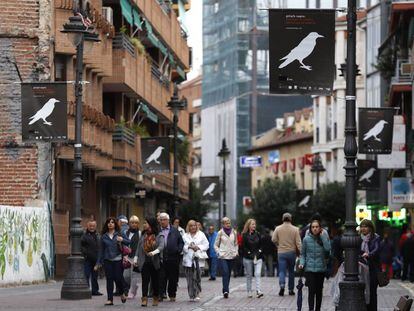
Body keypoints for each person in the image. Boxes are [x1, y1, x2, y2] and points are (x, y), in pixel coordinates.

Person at [96, 217, 130, 306]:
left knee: (118, 278)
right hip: (107, 260)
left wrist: (122, 239)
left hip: (118, 259)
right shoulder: (104, 236)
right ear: (106, 224)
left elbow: (128, 241)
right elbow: (101, 251)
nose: (110, 224)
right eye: (108, 222)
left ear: (115, 224)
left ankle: (122, 292)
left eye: (112, 222)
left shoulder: (120, 233)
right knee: (109, 279)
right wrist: (98, 263)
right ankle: (110, 299)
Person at [299, 219, 331, 311]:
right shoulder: (306, 239)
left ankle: (318, 309)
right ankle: (311, 309)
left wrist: (323, 237)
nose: (315, 229)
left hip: (321, 269)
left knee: (319, 292)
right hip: (309, 269)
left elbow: (328, 249)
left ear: (320, 228)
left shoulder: (323, 237)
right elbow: (303, 254)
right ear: (310, 228)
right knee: (311, 291)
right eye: (313, 227)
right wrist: (301, 263)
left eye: (317, 227)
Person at [133, 217, 164, 307]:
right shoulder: (143, 235)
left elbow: (162, 246)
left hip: (155, 262)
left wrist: (153, 252)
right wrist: (135, 259)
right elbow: (139, 248)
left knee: (155, 281)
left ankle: (155, 298)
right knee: (145, 281)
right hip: (144, 262)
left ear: (151, 224)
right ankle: (144, 299)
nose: (144, 225)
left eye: (145, 223)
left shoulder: (159, 235)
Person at [272, 212, 301, 296]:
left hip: (281, 252)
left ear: (282, 219)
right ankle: (291, 290)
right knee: (291, 271)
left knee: (282, 271)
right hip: (292, 252)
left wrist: (278, 244)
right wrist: (301, 252)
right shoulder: (295, 229)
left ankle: (282, 286)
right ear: (291, 219)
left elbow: (273, 239)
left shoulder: (278, 228)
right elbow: (298, 242)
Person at [159, 212, 184, 302]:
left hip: (173, 258)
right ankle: (161, 294)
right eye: (161, 220)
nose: (162, 221)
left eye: (164, 220)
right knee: (161, 277)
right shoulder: (158, 230)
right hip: (161, 257)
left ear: (168, 220)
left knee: (173, 278)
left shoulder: (174, 230)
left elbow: (181, 242)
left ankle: (172, 294)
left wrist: (178, 250)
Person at [182, 219, 209, 301]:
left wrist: (198, 247)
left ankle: (196, 293)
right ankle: (191, 295)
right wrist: (188, 247)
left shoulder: (201, 234)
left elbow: (206, 245)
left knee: (197, 277)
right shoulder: (185, 235)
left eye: (194, 225)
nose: (193, 227)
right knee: (189, 278)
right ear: (188, 227)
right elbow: (182, 246)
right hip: (188, 259)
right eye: (191, 226)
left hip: (198, 259)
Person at [214, 217, 239, 298]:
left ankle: (225, 288)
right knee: (225, 272)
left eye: (229, 223)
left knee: (228, 274)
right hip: (223, 256)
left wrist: (236, 252)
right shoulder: (220, 233)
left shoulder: (234, 232)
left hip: (231, 256)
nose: (228, 224)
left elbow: (236, 244)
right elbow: (215, 245)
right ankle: (225, 290)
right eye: (226, 223)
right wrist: (219, 252)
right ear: (223, 224)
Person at [360, 219, 381, 311]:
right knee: (363, 292)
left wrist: (368, 254)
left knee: (372, 293)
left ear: (370, 228)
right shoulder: (358, 238)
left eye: (365, 226)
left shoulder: (375, 238)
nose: (363, 228)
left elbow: (376, 250)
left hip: (372, 269)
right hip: (361, 269)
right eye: (361, 226)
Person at [241, 219, 264, 298]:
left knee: (257, 274)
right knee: (249, 275)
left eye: (255, 224)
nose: (254, 225)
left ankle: (258, 291)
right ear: (249, 225)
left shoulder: (258, 234)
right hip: (248, 258)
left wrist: (257, 254)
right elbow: (244, 247)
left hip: (258, 258)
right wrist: (250, 254)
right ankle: (249, 291)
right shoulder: (244, 235)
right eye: (252, 224)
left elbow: (261, 246)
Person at [81, 219, 102, 296]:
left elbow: (100, 247)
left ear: (95, 226)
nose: (92, 227)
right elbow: (81, 246)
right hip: (87, 259)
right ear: (87, 226)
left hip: (96, 259)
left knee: (95, 276)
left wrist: (100, 260)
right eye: (90, 226)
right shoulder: (84, 235)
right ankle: (86, 290)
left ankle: (95, 291)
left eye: (93, 226)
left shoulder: (98, 235)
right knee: (86, 275)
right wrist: (86, 253)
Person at [124, 215, 141, 299]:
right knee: (126, 275)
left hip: (136, 257)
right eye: (132, 223)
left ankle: (132, 292)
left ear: (138, 224)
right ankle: (129, 288)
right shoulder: (125, 232)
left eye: (136, 223)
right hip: (126, 257)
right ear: (129, 224)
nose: (134, 224)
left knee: (134, 276)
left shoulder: (140, 233)